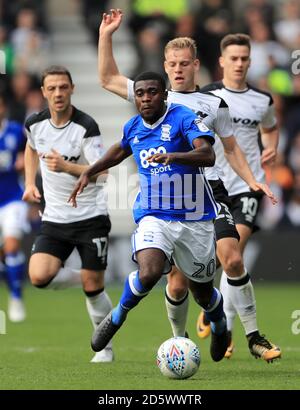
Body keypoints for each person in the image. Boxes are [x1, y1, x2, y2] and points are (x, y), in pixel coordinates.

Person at [97, 9, 281, 362]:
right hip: (171, 201)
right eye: (173, 63)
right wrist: (106, 35)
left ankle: (253, 336)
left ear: (196, 65)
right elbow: (107, 78)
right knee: (178, 283)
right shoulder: (151, 95)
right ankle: (180, 343)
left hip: (212, 192)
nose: (179, 69)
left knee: (232, 258)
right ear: (165, 67)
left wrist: (253, 179)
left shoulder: (214, 102)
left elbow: (231, 148)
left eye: (185, 63)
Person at [69, 71, 229, 362]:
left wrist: (175, 157)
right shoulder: (133, 126)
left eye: (152, 92)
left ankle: (219, 325)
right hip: (153, 214)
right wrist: (89, 171)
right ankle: (116, 318)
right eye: (140, 93)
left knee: (203, 294)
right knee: (150, 271)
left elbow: (207, 154)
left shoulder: (182, 117)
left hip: (195, 216)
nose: (145, 98)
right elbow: (119, 150)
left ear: (164, 94)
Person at [197, 33, 281, 361]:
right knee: (227, 259)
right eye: (233, 58)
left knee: (234, 256)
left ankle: (227, 329)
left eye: (245, 58)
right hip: (213, 185)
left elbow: (271, 128)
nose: (240, 63)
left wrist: (270, 145)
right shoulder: (206, 96)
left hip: (248, 185)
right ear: (221, 61)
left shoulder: (262, 100)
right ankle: (222, 319)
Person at [22, 65, 113, 363]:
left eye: (63, 87)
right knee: (38, 276)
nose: (58, 93)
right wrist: (29, 183)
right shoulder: (34, 123)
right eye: (52, 88)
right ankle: (81, 277)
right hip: (55, 218)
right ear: (44, 92)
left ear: (72, 88)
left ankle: (104, 348)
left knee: (94, 289)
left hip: (90, 216)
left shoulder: (86, 126)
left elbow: (103, 173)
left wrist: (67, 167)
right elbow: (31, 148)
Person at [0, 93, 29, 322]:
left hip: (12, 199)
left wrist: (23, 162)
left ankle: (16, 297)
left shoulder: (16, 131)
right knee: (7, 253)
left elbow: (28, 154)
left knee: (11, 246)